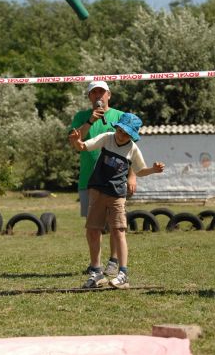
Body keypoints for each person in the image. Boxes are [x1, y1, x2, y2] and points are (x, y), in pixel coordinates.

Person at [70, 112, 165, 289]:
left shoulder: (133, 149)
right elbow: (83, 147)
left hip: (117, 195)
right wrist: (76, 141)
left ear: (132, 135)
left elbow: (140, 170)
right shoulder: (107, 138)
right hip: (97, 191)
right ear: (117, 127)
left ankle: (123, 274)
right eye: (120, 130)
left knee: (118, 231)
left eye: (126, 133)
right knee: (92, 231)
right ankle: (96, 273)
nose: (121, 135)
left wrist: (153, 169)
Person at [69, 81, 136, 277]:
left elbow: (130, 148)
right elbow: (74, 142)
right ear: (89, 97)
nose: (98, 96)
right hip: (89, 180)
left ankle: (114, 261)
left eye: (101, 92)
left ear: (109, 95)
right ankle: (95, 266)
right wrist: (90, 121)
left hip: (115, 180)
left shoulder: (120, 116)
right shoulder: (81, 117)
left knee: (114, 226)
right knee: (93, 226)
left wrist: (132, 175)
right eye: (93, 93)